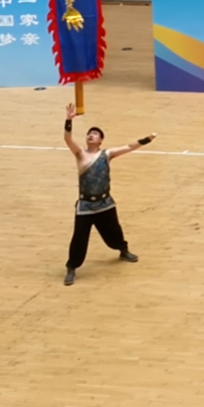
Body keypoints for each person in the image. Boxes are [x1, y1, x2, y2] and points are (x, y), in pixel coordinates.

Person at [61, 100, 152, 286]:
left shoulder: (107, 154)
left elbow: (128, 147)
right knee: (79, 237)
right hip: (86, 205)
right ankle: (72, 267)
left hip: (105, 203)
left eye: (95, 134)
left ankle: (123, 250)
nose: (91, 135)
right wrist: (69, 120)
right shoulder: (80, 154)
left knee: (114, 230)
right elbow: (68, 139)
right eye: (89, 133)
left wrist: (146, 140)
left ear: (101, 140)